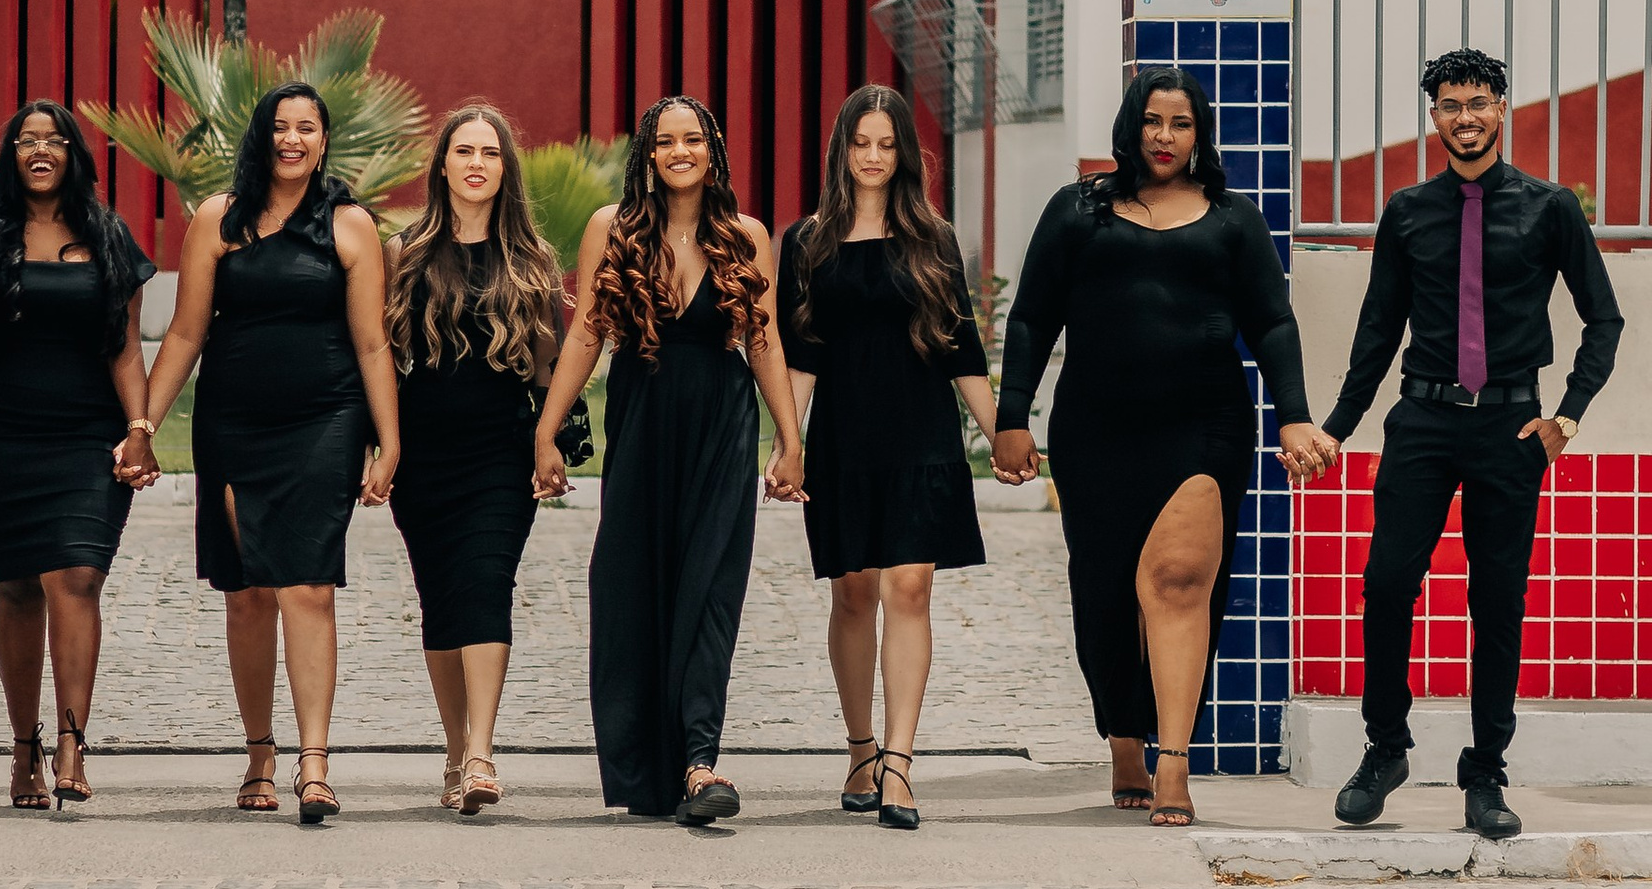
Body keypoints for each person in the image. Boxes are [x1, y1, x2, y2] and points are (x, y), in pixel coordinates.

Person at [993, 69, 1333, 828]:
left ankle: (1173, 759)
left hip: (1203, 425)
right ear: (1131, 127)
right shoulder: (1080, 210)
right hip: (1095, 429)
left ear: (1200, 134)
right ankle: (1124, 734)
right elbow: (1030, 318)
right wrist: (1012, 416)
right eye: (1153, 121)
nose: (1165, 137)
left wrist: (1294, 416)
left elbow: (1272, 323)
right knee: (1106, 593)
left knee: (1182, 583)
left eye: (1181, 124)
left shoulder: (1232, 222)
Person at [1322, 45, 1624, 842]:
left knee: (1497, 602)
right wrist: (1336, 429)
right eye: (1450, 105)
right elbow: (1377, 332)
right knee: (1387, 584)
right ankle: (1385, 749)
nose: (1465, 117)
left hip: (1510, 428)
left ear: (1501, 109)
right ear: (1435, 119)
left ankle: (1485, 773)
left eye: (1478, 103)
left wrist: (1568, 416)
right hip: (1420, 421)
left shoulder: (1549, 207)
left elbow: (1605, 318)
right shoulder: (1408, 210)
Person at [535, 96, 805, 828]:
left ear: (713, 150)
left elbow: (766, 342)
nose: (680, 152)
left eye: (693, 140)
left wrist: (789, 440)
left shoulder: (747, 236)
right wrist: (547, 430)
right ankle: (649, 770)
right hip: (642, 427)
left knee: (709, 589)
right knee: (629, 587)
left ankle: (699, 760)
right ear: (647, 155)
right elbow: (586, 337)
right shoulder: (611, 230)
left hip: (721, 430)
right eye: (665, 141)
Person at [140, 82, 399, 824]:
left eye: (307, 128)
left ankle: (314, 763)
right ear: (261, 136)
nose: (293, 139)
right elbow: (186, 333)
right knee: (248, 593)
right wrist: (144, 426)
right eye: (280, 127)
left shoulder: (350, 226)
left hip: (326, 419)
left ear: (324, 140)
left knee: (308, 585)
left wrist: (390, 440)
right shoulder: (217, 218)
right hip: (234, 422)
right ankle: (260, 751)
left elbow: (372, 342)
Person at [778, 83, 998, 835]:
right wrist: (788, 443)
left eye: (887, 144)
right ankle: (860, 747)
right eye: (861, 143)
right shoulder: (806, 242)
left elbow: (962, 346)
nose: (873, 156)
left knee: (909, 588)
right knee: (852, 595)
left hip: (921, 433)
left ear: (905, 154)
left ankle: (900, 763)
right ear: (842, 149)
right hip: (843, 438)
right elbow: (798, 355)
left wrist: (1001, 432)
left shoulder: (932, 238)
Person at [0, 98, 159, 811]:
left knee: (79, 578)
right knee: (18, 590)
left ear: (72, 155)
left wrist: (140, 426)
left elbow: (124, 345)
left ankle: (70, 744)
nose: (40, 150)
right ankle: (23, 749)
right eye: (26, 139)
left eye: (54, 140)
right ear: (11, 155)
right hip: (1, 438)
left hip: (86, 437)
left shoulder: (109, 235)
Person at [384, 101, 566, 813]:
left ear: (504, 168)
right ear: (444, 165)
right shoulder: (405, 251)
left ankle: (483, 752)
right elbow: (382, 356)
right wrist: (382, 447)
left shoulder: (533, 260)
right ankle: (455, 750)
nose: (477, 164)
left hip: (500, 454)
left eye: (490, 153)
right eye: (464, 152)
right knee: (440, 600)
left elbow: (552, 368)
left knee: (485, 585)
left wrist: (552, 441)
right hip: (424, 457)